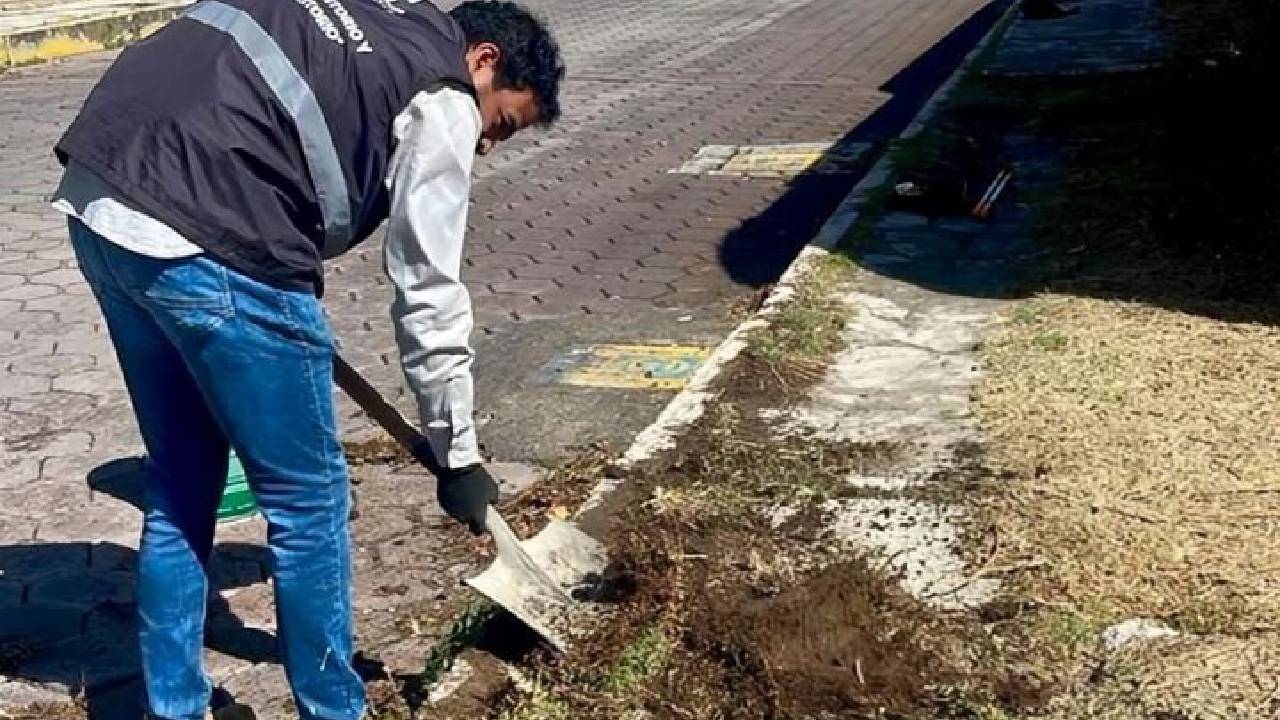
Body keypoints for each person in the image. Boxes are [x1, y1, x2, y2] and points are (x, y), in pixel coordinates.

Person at [50, 0, 563, 717]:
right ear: (483, 61)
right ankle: (333, 709)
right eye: (499, 124)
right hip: (218, 229)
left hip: (103, 201)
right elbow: (428, 289)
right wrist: (459, 455)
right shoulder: (443, 92)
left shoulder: (388, 21)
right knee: (310, 502)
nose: (485, 147)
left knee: (180, 475)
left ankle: (175, 707)